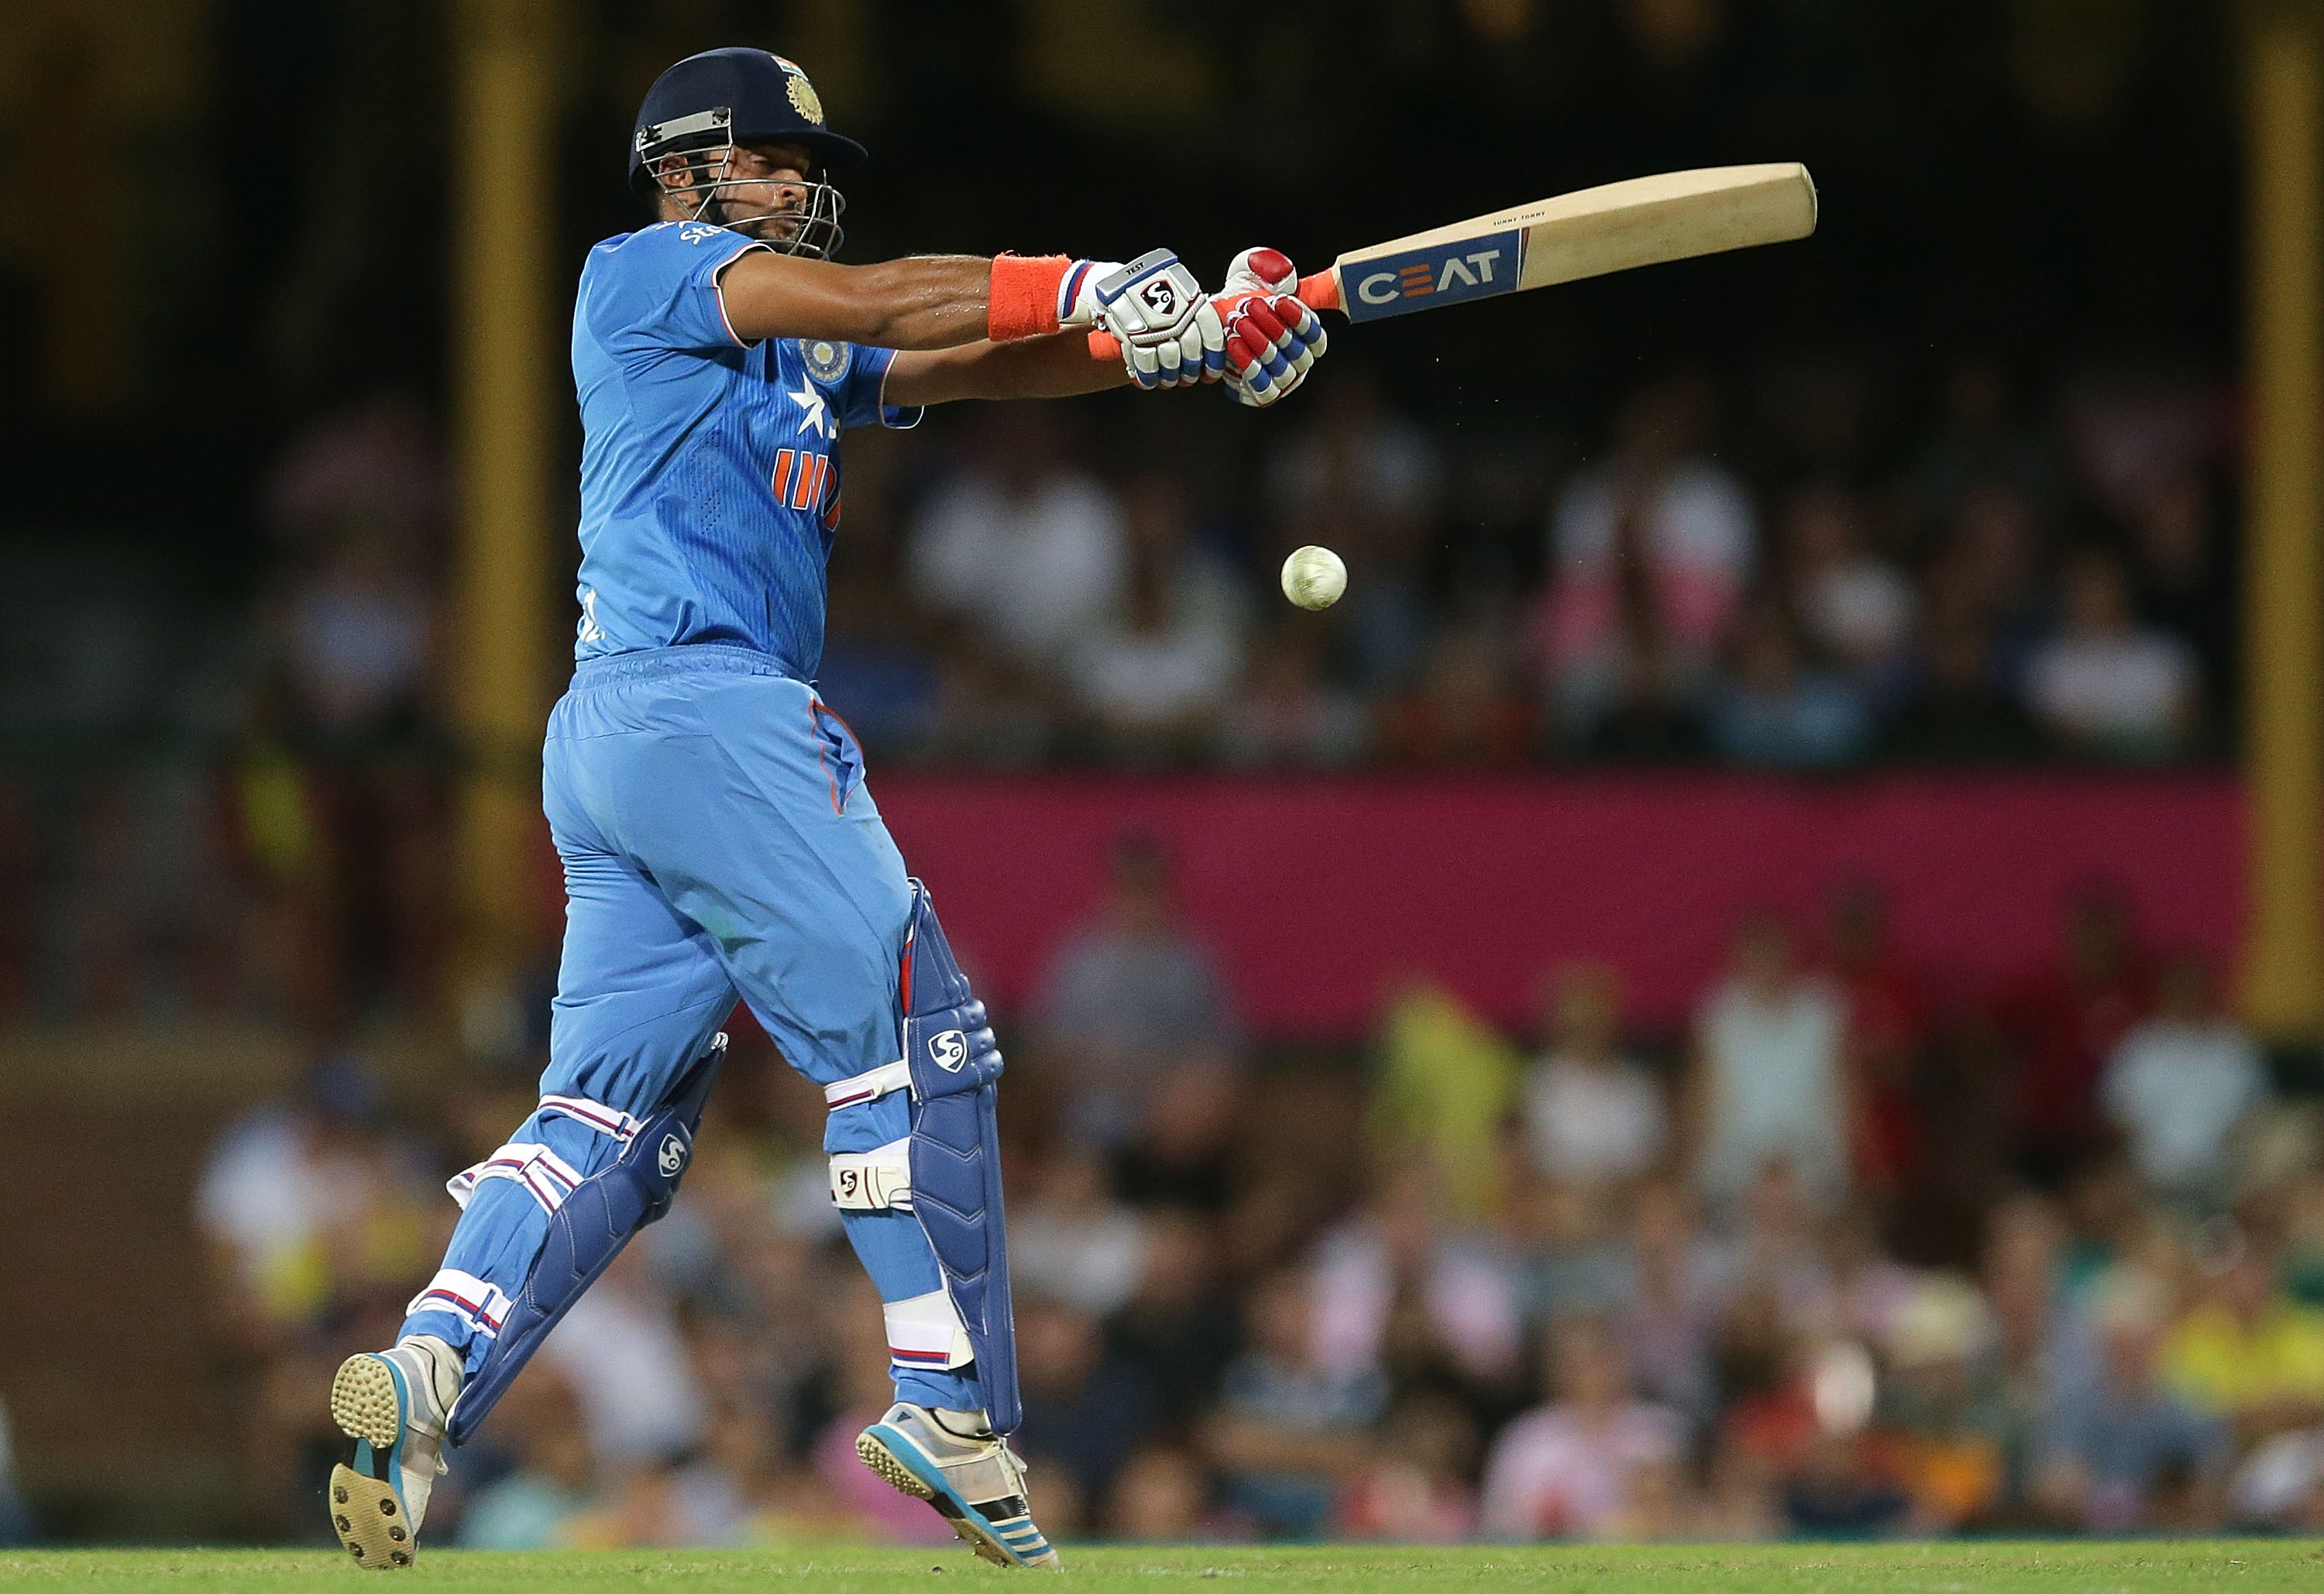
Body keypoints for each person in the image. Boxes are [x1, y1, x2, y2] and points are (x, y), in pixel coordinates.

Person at [320, 46, 1329, 1574]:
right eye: (772, 159)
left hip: (622, 736)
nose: (799, 183)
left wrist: (1169, 344)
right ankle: (950, 1401)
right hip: (711, 709)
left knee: (614, 1122)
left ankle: (429, 1367)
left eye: (805, 164)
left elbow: (974, 364)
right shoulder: (646, 268)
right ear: (685, 168)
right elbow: (891, 300)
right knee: (921, 1034)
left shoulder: (781, 344)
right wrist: (1093, 280)